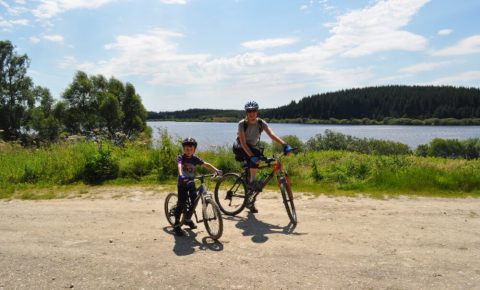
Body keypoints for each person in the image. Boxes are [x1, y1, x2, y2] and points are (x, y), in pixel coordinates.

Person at [234, 100, 293, 213]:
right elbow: (242, 142)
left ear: (257, 112)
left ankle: (250, 200)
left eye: (254, 111)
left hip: (252, 147)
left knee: (260, 156)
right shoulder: (242, 123)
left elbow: (272, 134)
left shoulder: (261, 123)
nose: (251, 113)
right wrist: (252, 156)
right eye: (249, 111)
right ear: (246, 112)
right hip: (240, 147)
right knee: (255, 158)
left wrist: (284, 144)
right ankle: (252, 181)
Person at [174, 137, 222, 236]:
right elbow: (179, 166)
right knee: (181, 203)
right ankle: (176, 224)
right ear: (183, 149)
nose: (189, 151)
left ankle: (187, 219)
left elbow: (206, 164)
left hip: (191, 183)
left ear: (194, 150)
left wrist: (216, 170)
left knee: (194, 201)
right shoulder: (181, 157)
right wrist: (181, 175)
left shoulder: (194, 158)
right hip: (182, 184)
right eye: (187, 149)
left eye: (191, 149)